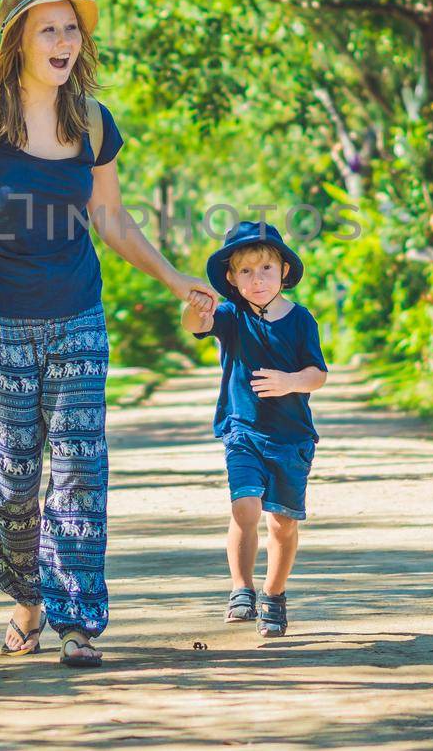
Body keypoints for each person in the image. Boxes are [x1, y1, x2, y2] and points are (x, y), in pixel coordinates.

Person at [0, 0, 217, 668]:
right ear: (17, 38)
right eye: (47, 28)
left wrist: (176, 277)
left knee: (80, 467)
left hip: (78, 315)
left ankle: (78, 619)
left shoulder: (93, 121)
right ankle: (26, 596)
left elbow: (109, 217)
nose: (62, 41)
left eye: (71, 29)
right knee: (16, 476)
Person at [180, 220, 329, 638]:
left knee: (282, 523)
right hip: (242, 430)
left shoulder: (301, 320)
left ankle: (274, 596)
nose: (257, 279)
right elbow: (195, 325)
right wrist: (196, 307)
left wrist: (290, 382)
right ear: (231, 278)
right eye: (245, 271)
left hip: (291, 437)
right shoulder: (230, 316)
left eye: (266, 269)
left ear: (283, 271)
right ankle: (241, 588)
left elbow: (318, 373)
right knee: (244, 507)